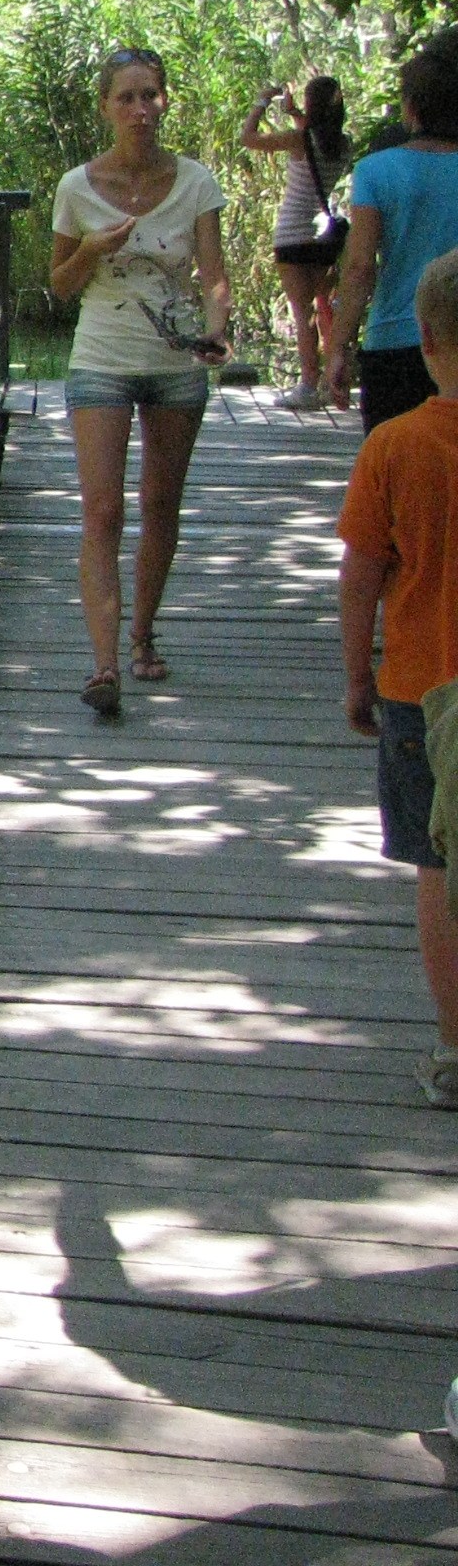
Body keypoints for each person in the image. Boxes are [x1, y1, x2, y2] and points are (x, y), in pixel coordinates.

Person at [49, 47, 232, 716]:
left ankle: (143, 634)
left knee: (160, 504)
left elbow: (214, 276)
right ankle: (103, 665)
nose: (139, 109)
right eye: (125, 97)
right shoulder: (76, 187)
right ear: (105, 107)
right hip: (101, 360)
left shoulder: (196, 182)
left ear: (164, 101)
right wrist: (92, 249)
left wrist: (217, 329)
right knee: (103, 510)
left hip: (176, 366)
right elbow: (60, 286)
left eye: (149, 95)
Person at [336, 246, 458, 1104]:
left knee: (435, 866)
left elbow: (361, 576)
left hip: (419, 691)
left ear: (423, 338)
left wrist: (357, 677)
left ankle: (454, 1049)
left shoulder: (394, 445)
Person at [327, 37, 458, 430]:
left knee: (394, 457)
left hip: (394, 340)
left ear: (411, 107)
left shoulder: (375, 170)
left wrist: (338, 346)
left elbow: (360, 268)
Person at [242, 75, 352, 406]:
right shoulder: (343, 144)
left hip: (292, 234)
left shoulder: (298, 140)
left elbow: (248, 138)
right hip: (324, 235)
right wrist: (293, 114)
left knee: (302, 314)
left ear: (311, 104)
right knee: (326, 310)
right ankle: (332, 382)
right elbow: (316, 135)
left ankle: (307, 385)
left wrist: (262, 101)